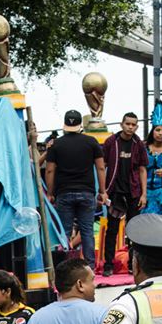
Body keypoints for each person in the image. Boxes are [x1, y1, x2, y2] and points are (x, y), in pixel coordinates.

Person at [45, 109, 108, 269]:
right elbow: (101, 168)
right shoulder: (91, 142)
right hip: (87, 193)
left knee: (64, 232)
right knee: (87, 232)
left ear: (65, 125)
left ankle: (65, 268)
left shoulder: (56, 144)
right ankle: (90, 268)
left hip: (64, 193)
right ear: (81, 125)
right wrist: (102, 191)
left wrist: (50, 193)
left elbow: (50, 170)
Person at [101, 112, 148, 277]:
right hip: (114, 192)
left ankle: (133, 265)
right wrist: (102, 191)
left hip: (133, 192)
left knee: (134, 231)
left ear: (137, 126)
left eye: (133, 124)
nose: (130, 127)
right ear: (122, 124)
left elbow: (142, 169)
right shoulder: (111, 142)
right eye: (127, 124)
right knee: (112, 230)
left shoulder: (139, 144)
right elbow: (102, 166)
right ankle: (108, 265)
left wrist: (144, 194)